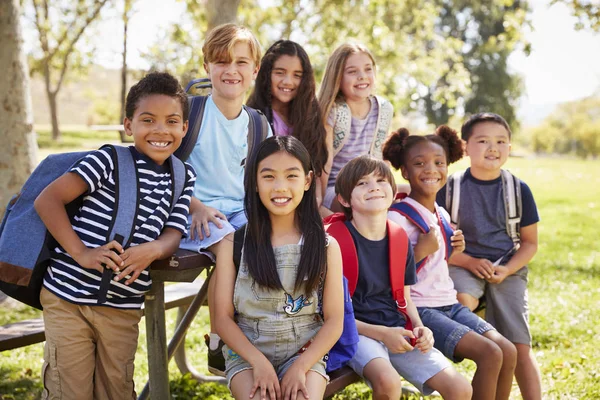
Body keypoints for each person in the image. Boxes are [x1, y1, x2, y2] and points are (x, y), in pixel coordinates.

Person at [34, 72, 196, 399]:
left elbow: (174, 233)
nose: (161, 130)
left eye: (171, 121)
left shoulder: (183, 177)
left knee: (116, 389)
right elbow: (48, 200)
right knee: (71, 391)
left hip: (122, 306)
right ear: (128, 125)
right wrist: (81, 253)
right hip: (68, 298)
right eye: (148, 120)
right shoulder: (108, 160)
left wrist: (153, 249)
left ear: (184, 128)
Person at [384, 126, 517, 400]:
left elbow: (436, 263)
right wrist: (420, 252)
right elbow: (386, 276)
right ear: (405, 171)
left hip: (449, 303)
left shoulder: (441, 213)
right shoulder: (397, 218)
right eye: (419, 163)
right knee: (490, 353)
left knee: (508, 350)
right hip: (421, 309)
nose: (431, 169)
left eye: (438, 163)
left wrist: (453, 249)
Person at [213, 136, 344, 400]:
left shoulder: (326, 246)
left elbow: (334, 322)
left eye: (291, 176)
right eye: (269, 177)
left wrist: (301, 366)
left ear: (307, 181)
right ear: (254, 182)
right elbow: (222, 319)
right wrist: (258, 363)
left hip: (304, 354)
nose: (280, 187)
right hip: (246, 354)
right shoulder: (233, 244)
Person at [333, 155, 472, 399]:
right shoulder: (333, 242)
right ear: (344, 199)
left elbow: (404, 298)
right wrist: (383, 334)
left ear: (393, 191)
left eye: (380, 180)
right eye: (362, 183)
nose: (374, 186)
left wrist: (420, 327)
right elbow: (327, 314)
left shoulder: (399, 239)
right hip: (354, 331)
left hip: (396, 329)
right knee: (388, 383)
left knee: (460, 388)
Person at [177, 23, 271, 373]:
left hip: (239, 213)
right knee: (227, 242)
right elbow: (161, 170)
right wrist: (194, 204)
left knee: (274, 240)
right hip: (188, 211)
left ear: (255, 70)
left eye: (241, 62)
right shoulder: (191, 113)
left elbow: (264, 179)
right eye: (221, 61)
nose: (231, 70)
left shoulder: (259, 125)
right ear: (207, 67)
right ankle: (220, 340)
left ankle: (271, 333)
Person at [436, 113, 542, 400]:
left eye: (501, 141)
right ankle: (461, 373)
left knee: (519, 347)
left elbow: (530, 244)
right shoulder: (450, 187)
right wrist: (468, 261)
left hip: (507, 267)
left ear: (509, 148)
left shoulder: (518, 190)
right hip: (461, 263)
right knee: (462, 304)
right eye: (483, 141)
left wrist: (507, 270)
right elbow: (437, 243)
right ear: (466, 147)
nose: (493, 147)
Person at [247, 41, 328, 209]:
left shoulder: (310, 115)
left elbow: (316, 165)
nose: (288, 81)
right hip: (269, 200)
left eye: (297, 75)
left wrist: (316, 199)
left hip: (304, 200)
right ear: (266, 74)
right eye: (280, 72)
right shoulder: (254, 117)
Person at [318, 43, 394, 215]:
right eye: (352, 71)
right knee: (359, 201)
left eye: (368, 69)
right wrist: (318, 203)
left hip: (371, 184)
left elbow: (381, 157)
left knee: (410, 193)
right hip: (336, 188)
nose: (362, 76)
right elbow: (324, 162)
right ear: (337, 77)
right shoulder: (334, 111)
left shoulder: (383, 109)